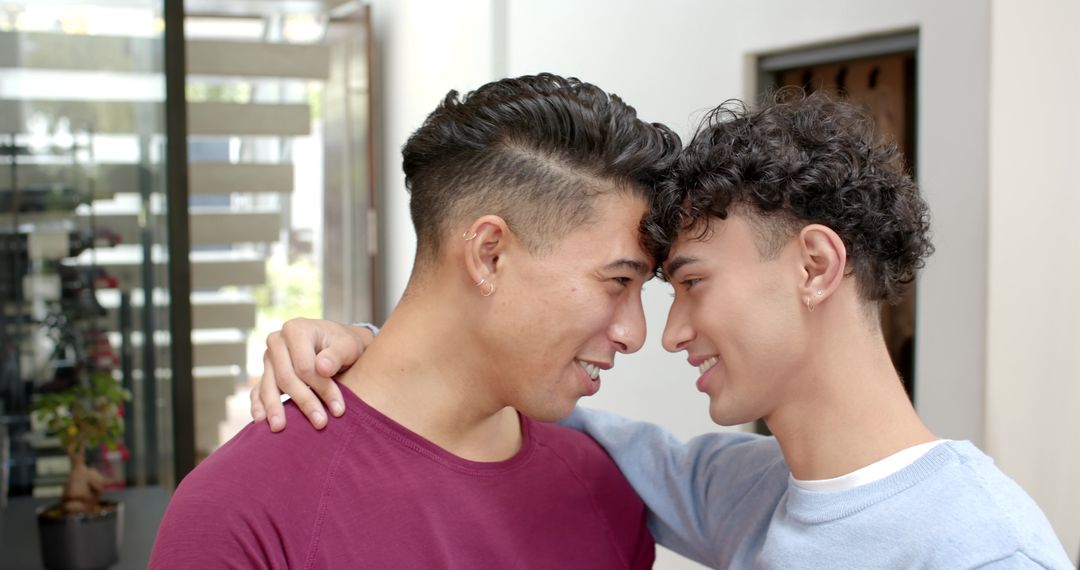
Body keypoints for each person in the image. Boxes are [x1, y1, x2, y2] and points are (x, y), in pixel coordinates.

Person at [255, 91, 1074, 568]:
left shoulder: (985, 550)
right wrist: (365, 344)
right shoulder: (740, 493)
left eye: (690, 284)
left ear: (817, 267)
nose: (668, 332)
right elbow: (518, 391)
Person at [150, 73, 682, 568]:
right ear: (489, 255)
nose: (634, 334)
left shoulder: (601, 490)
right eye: (617, 282)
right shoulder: (238, 512)